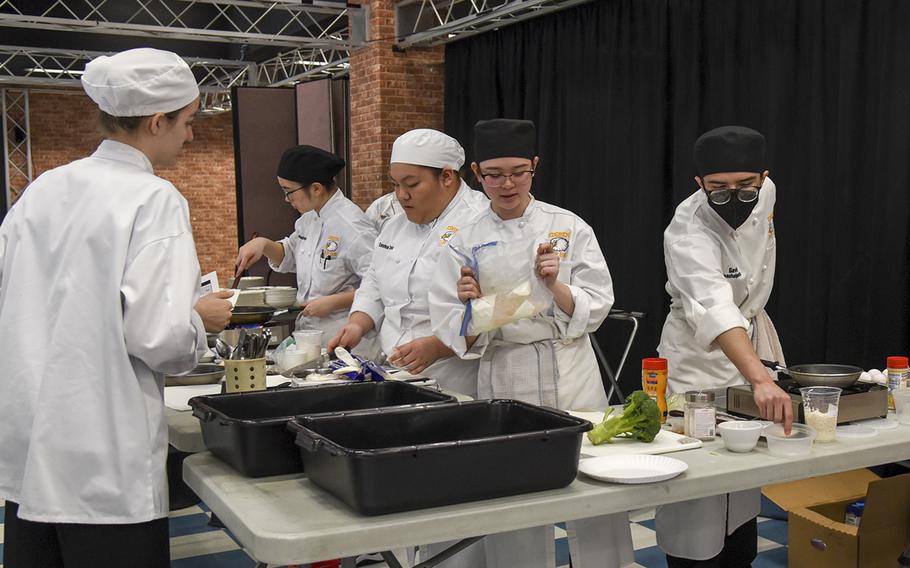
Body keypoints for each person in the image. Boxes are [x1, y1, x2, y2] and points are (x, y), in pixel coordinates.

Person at [0, 47, 233, 568]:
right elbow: (161, 340)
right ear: (156, 122)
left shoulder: (42, 189)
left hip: (30, 445)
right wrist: (200, 318)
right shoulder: (152, 198)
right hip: (104, 459)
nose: (191, 136)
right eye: (189, 123)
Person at [428, 119, 633, 568]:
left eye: (519, 171)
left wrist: (554, 285)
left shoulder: (568, 225)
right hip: (506, 370)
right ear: (476, 173)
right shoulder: (459, 238)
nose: (507, 184)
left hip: (570, 368)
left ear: (535, 167)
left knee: (595, 485)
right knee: (514, 497)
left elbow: (597, 306)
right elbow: (451, 329)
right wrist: (473, 307)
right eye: (494, 174)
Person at [654, 125, 792, 567]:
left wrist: (756, 375)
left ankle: (739, 554)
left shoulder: (766, 191)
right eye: (717, 188)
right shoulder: (687, 229)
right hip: (698, 359)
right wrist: (760, 379)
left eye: (745, 186)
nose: (734, 196)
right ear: (699, 184)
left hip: (749, 341)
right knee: (698, 482)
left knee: (742, 478)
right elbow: (715, 305)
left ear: (763, 177)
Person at [235, 145, 378, 356]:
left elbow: (379, 285)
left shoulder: (353, 226)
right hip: (311, 337)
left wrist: (333, 302)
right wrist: (263, 245)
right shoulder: (309, 218)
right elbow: (291, 254)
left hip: (348, 342)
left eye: (289, 191)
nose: (286, 199)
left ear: (316, 188)